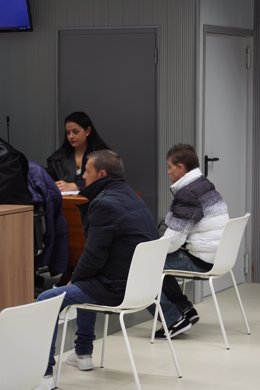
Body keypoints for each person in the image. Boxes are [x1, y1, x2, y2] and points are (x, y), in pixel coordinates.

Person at [36, 149, 158, 390]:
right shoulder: (132, 196)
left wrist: (73, 280)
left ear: (101, 174)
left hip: (116, 289)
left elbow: (93, 256)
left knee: (46, 298)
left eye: (86, 172)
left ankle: (44, 374)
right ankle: (82, 353)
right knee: (85, 281)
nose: (82, 177)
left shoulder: (103, 204)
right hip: (141, 286)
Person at [154, 143, 229, 339]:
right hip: (217, 255)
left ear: (180, 168)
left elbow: (173, 242)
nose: (168, 172)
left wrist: (152, 248)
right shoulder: (204, 184)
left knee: (147, 264)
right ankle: (185, 310)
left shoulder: (188, 193)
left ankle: (174, 318)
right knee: (158, 259)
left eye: (170, 167)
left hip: (202, 260)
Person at [46, 111, 109, 192]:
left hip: (96, 201)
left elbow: (107, 180)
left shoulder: (103, 155)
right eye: (68, 133)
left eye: (75, 132)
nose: (71, 136)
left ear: (87, 131)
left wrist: (76, 186)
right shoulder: (57, 159)